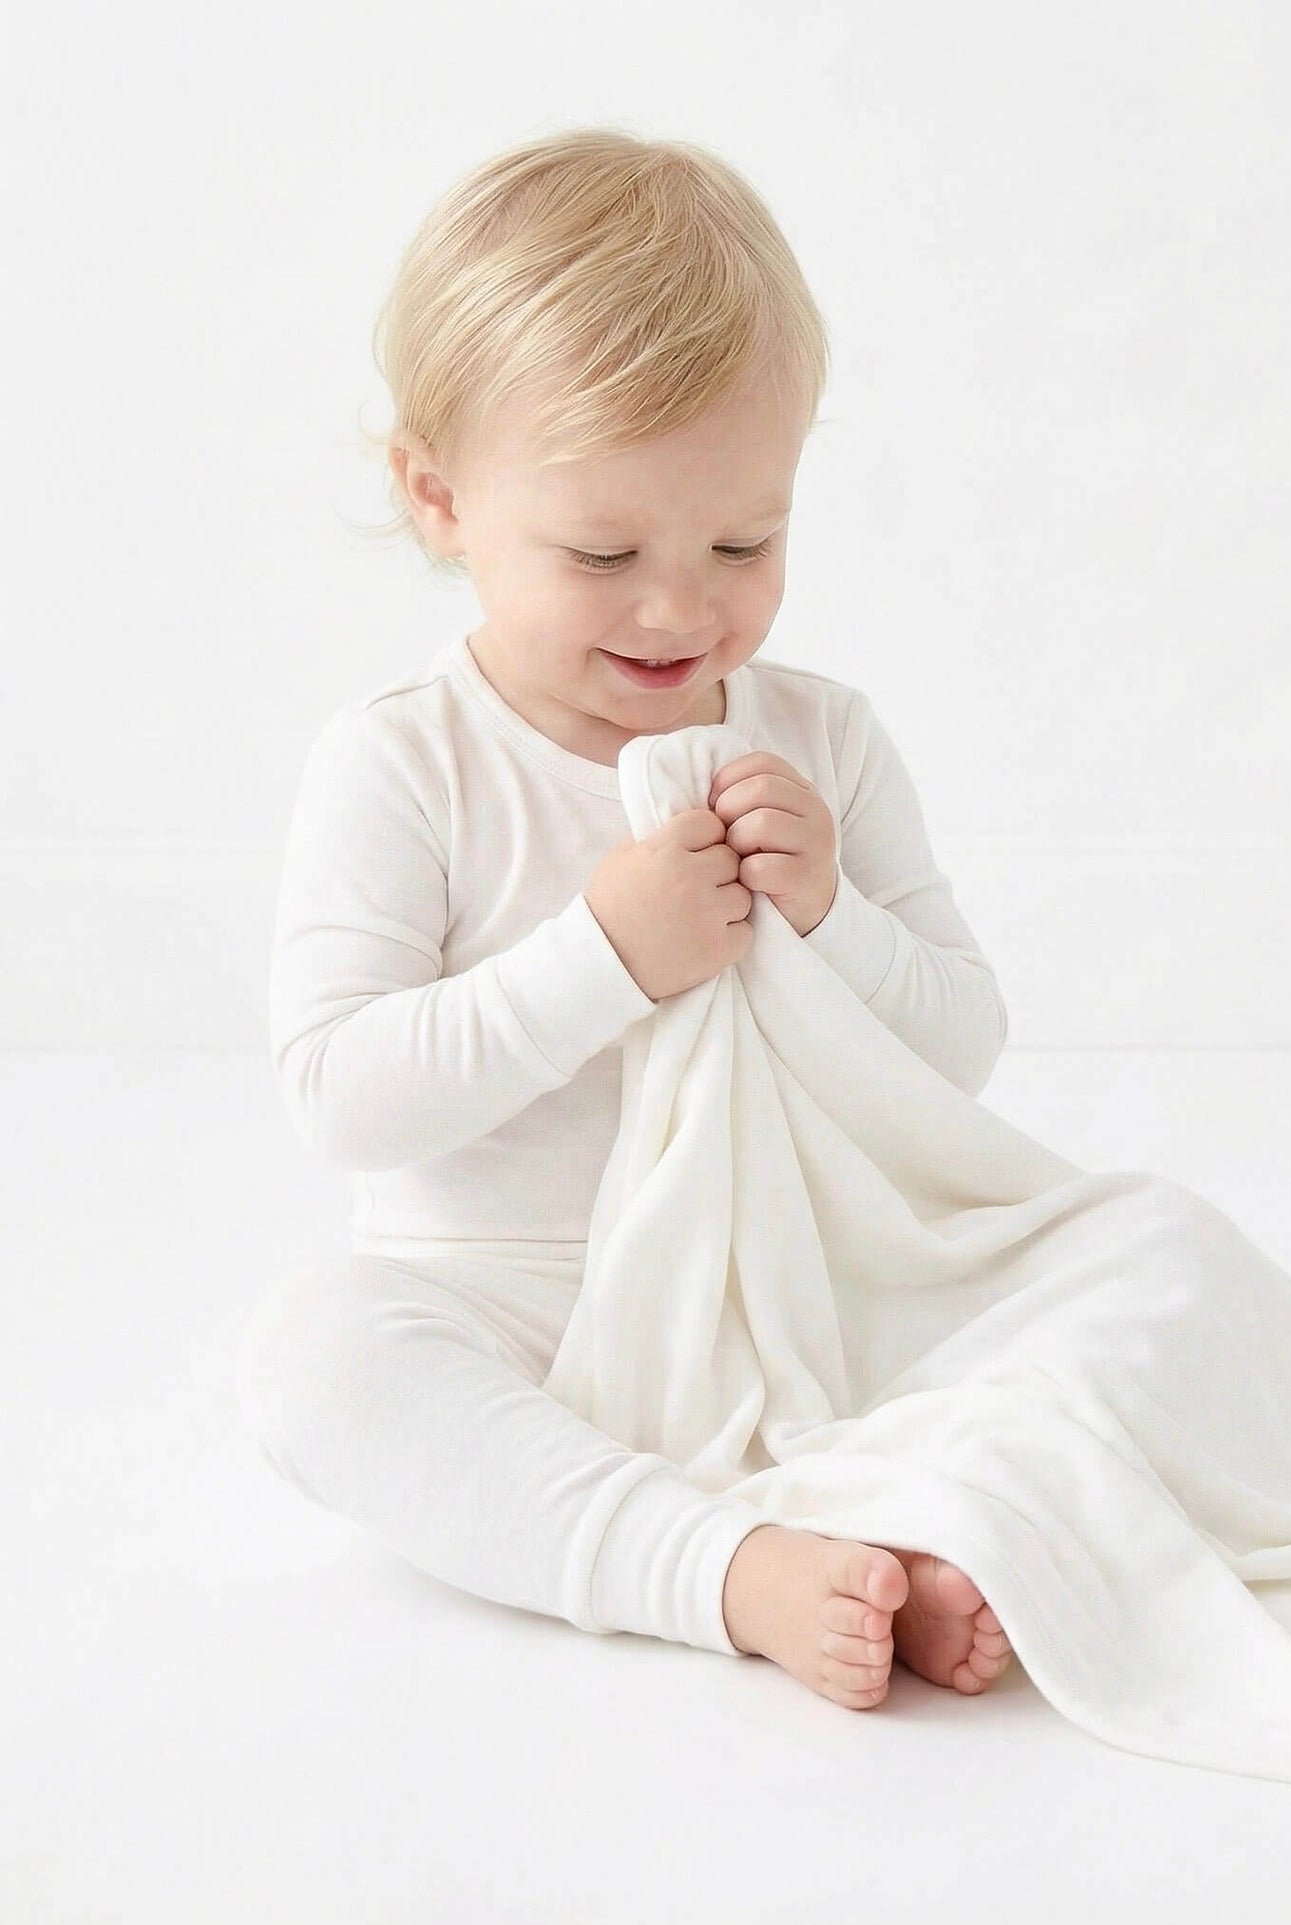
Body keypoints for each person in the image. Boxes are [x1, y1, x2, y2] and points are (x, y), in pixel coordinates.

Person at [235, 126, 1016, 1712]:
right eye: (603, 552)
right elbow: (343, 1094)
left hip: (785, 1287)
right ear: (438, 496)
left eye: (746, 542)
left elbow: (962, 1050)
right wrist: (602, 954)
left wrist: (826, 915)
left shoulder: (825, 738)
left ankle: (903, 1526)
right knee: (320, 1358)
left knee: (1093, 1291)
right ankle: (731, 1570)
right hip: (512, 1300)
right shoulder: (402, 764)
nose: (682, 608)